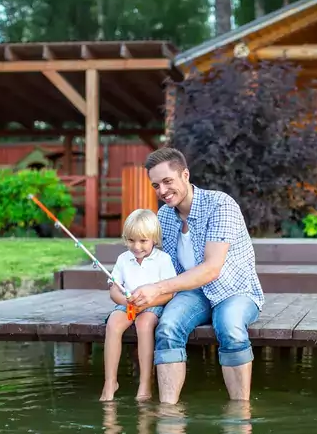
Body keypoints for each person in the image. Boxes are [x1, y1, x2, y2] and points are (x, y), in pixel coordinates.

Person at [128, 147, 264, 405]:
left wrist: (157, 288)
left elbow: (212, 268)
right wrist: (127, 283)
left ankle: (239, 413)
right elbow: (157, 262)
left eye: (168, 181)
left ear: (185, 175)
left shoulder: (220, 204)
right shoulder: (165, 216)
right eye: (156, 185)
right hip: (192, 293)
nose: (162, 191)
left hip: (233, 290)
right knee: (167, 328)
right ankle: (169, 417)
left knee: (230, 328)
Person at [100, 208, 177, 402]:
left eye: (143, 241)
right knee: (113, 325)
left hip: (152, 305)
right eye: (131, 240)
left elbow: (170, 292)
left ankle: (145, 381)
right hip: (128, 305)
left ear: (154, 239)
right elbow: (114, 290)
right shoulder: (123, 259)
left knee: (144, 325)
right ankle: (110, 382)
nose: (136, 246)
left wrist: (148, 302)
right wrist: (125, 302)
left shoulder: (163, 259)